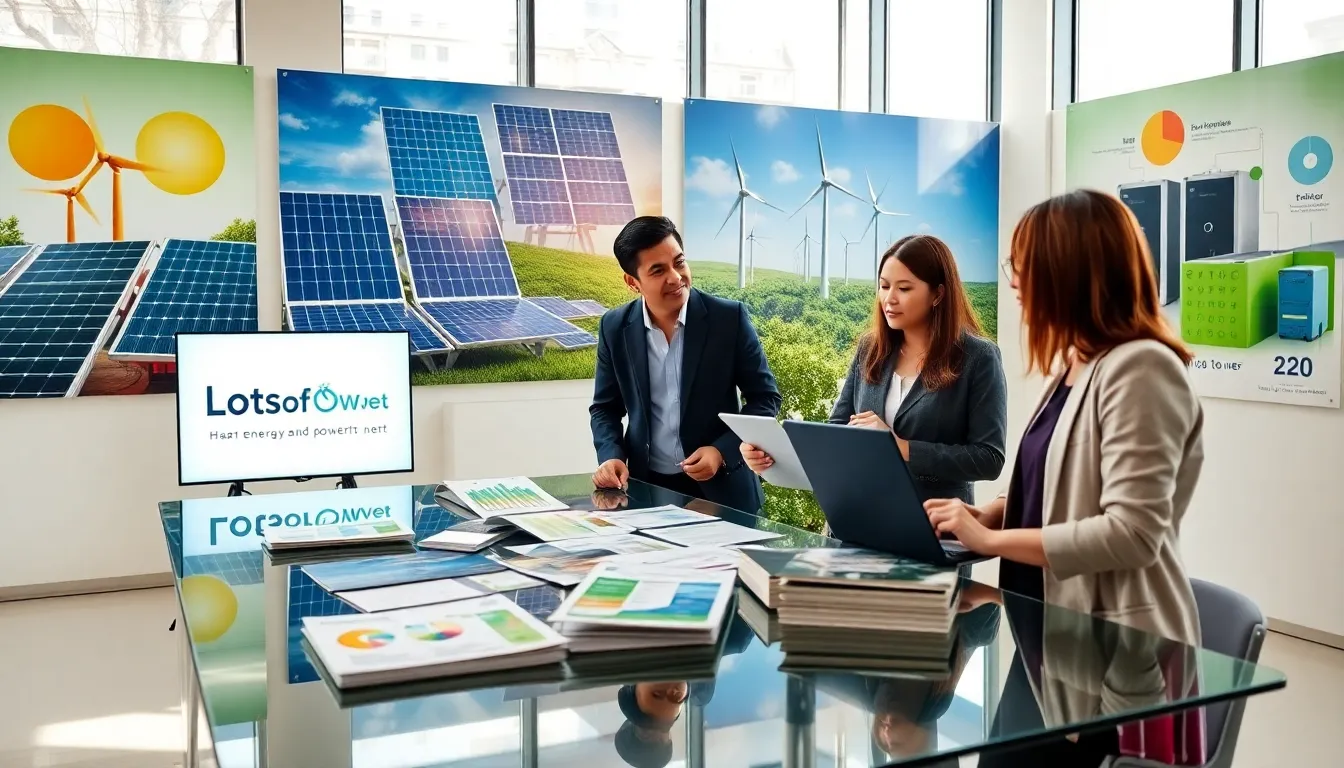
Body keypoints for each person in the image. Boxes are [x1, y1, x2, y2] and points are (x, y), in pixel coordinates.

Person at [925, 189, 1205, 766]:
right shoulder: (1076, 364)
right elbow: (1054, 483)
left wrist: (991, 542)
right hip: (1046, 637)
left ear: (1068, 271)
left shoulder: (1142, 368)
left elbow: (1132, 533)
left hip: (1109, 650)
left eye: (1023, 266)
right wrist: (991, 513)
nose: (1013, 281)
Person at [739, 233, 1007, 507]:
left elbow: (989, 459)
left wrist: (900, 447)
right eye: (884, 286)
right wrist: (774, 458)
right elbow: (837, 431)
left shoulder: (978, 357)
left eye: (904, 289)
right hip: (857, 515)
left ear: (938, 294)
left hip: (933, 527)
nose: (889, 299)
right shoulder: (870, 348)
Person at [590, 216, 782, 514]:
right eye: (658, 270)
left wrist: (721, 451)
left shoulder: (728, 319)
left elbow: (765, 398)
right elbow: (605, 407)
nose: (676, 277)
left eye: (679, 262)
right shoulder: (614, 327)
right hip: (646, 491)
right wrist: (611, 455)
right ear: (632, 282)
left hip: (723, 493)